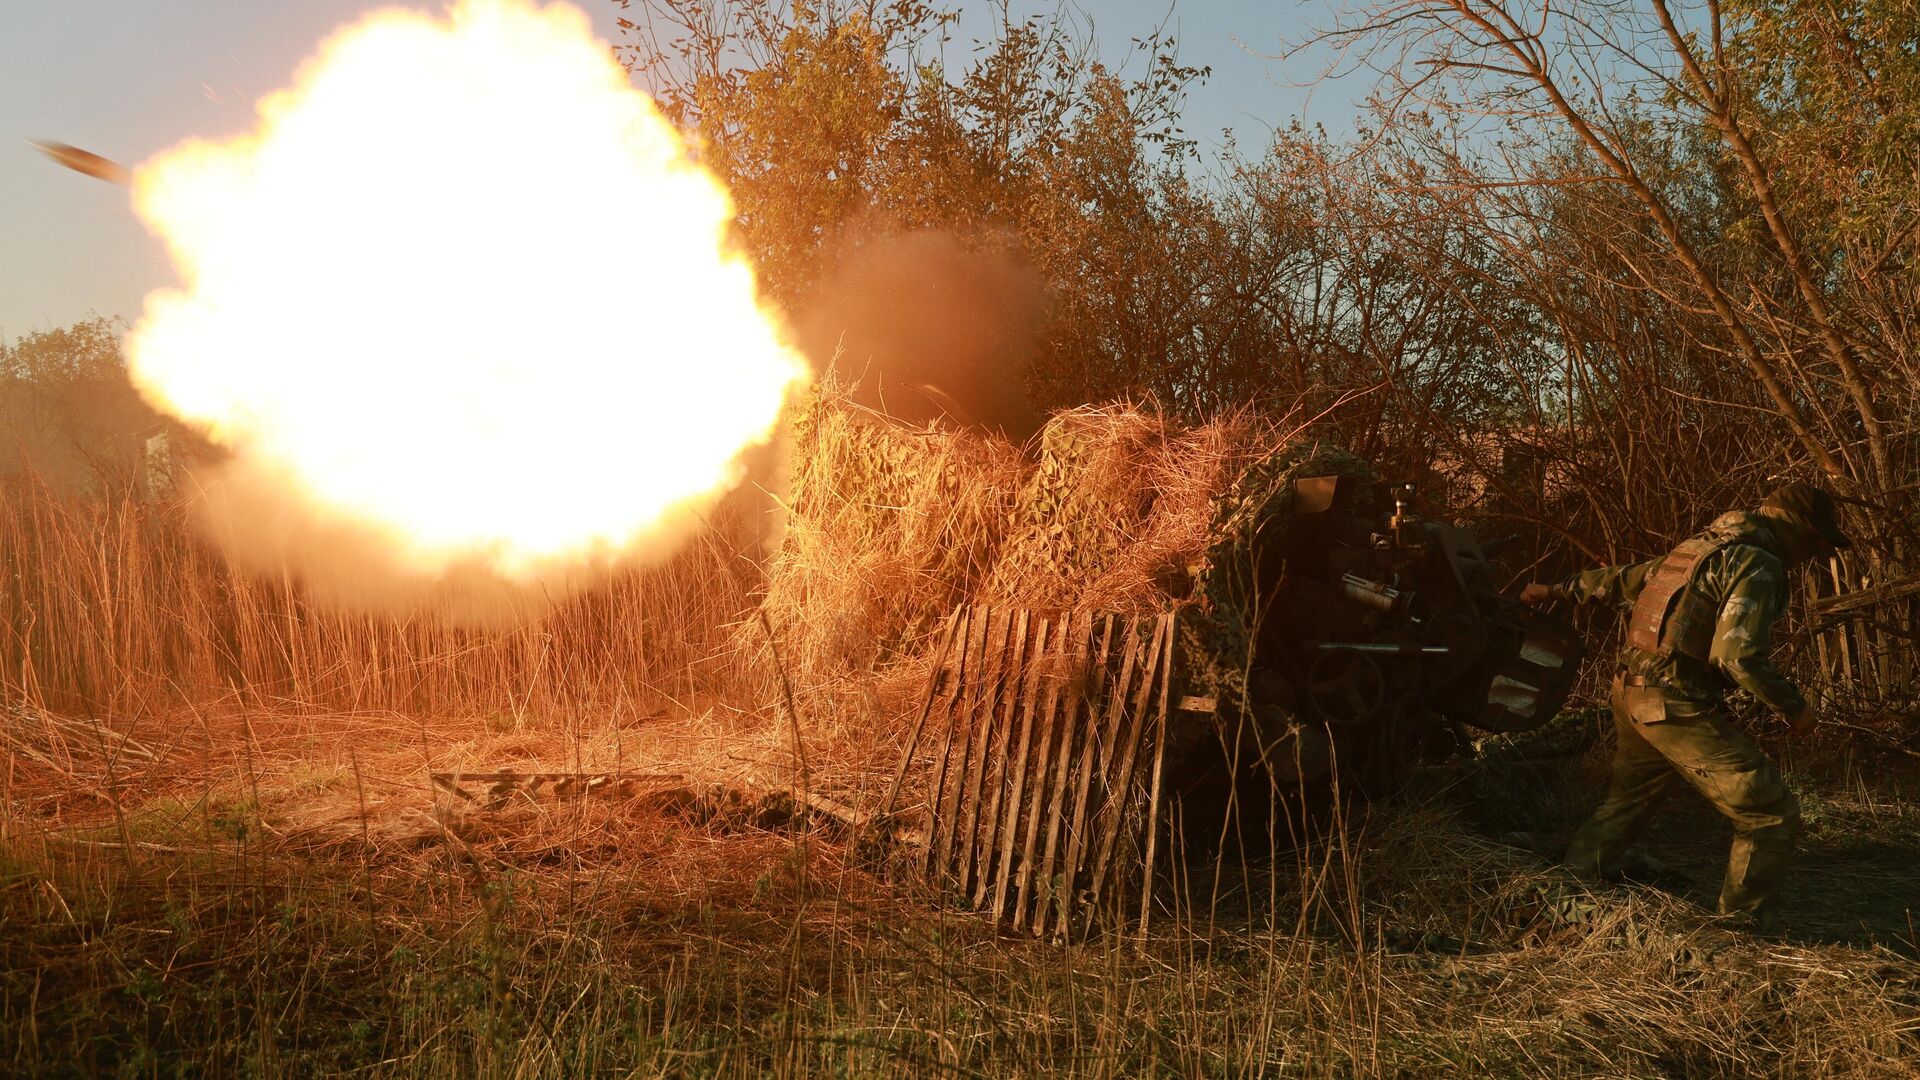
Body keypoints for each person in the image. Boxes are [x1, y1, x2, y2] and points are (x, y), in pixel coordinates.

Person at [1520, 483, 1852, 929]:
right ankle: (1742, 928)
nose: (1813, 554)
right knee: (1768, 811)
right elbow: (1736, 657)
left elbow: (1626, 580)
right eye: (1816, 543)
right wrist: (1795, 709)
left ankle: (1575, 878)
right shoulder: (1759, 562)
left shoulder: (1700, 547)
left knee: (1630, 799)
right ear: (1801, 529)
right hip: (1670, 702)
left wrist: (1556, 589)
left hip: (1629, 691)